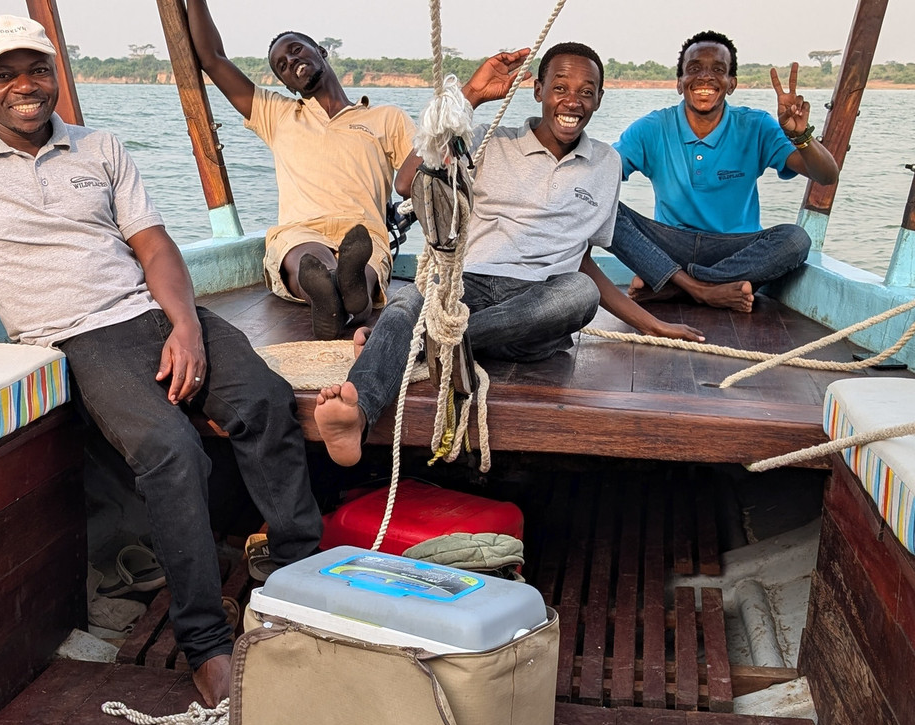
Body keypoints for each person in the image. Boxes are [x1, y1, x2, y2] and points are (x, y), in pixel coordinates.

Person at [0, 15, 322, 708]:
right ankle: (205, 642)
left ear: (56, 75)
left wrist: (186, 327)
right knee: (171, 450)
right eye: (4, 74)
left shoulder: (98, 145)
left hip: (153, 312)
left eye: (36, 69)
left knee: (267, 401)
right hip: (77, 335)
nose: (24, 86)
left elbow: (155, 246)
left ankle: (297, 578)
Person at [313, 43, 704, 467]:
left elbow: (583, 259)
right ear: (538, 91)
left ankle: (426, 345)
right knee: (409, 298)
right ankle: (359, 413)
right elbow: (408, 183)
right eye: (559, 87)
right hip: (471, 287)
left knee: (580, 292)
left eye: (586, 91)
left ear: (599, 100)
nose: (572, 100)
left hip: (535, 314)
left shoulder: (606, 163)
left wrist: (654, 326)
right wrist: (472, 96)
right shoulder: (487, 141)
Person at [187, 0, 421, 339]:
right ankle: (332, 293)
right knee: (307, 258)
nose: (292, 61)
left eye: (296, 50)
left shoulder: (386, 118)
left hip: (362, 233)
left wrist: (440, 134)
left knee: (365, 263)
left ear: (321, 51)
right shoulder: (277, 114)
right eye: (282, 65)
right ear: (286, 85)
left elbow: (415, 173)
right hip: (303, 230)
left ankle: (346, 289)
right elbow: (212, 58)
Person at [608, 31, 839, 313]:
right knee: (598, 207)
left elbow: (826, 175)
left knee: (796, 239)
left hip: (735, 248)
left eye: (718, 70)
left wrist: (801, 136)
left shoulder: (756, 125)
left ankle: (681, 287)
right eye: (694, 69)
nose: (705, 77)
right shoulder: (652, 127)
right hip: (670, 245)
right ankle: (704, 290)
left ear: (731, 84)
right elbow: (601, 176)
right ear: (680, 83)